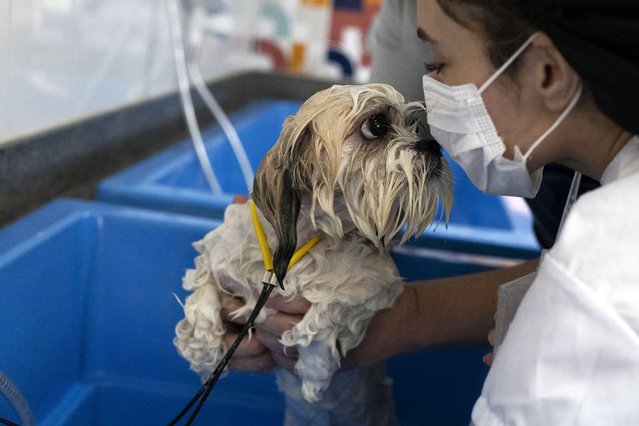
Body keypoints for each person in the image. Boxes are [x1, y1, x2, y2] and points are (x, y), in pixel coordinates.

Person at [225, 0, 639, 422]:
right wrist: (263, 243)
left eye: (438, 64)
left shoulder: (601, 271)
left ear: (546, 72)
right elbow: (362, 182)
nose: (431, 98)